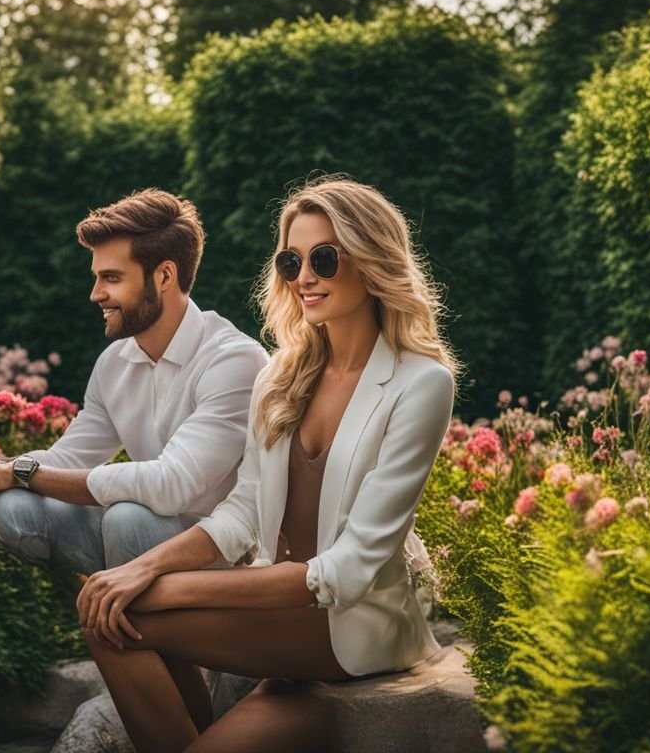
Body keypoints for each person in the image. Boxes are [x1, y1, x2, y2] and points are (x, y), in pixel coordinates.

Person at [72, 176, 459, 752]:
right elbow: (243, 512)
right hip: (284, 639)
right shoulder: (282, 376)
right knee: (110, 618)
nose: (304, 277)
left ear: (373, 260)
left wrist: (168, 588)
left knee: (128, 608)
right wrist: (145, 569)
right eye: (291, 260)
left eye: (324, 258)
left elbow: (352, 569)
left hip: (352, 632)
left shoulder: (420, 383)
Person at [0, 188, 268, 575]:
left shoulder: (233, 360)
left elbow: (173, 485)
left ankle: (140, 631)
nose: (95, 295)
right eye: (97, 277)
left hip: (216, 549)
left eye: (111, 278)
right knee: (15, 509)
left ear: (164, 276)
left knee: (128, 518)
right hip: (132, 534)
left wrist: (16, 472)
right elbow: (65, 461)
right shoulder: (114, 363)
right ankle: (102, 606)